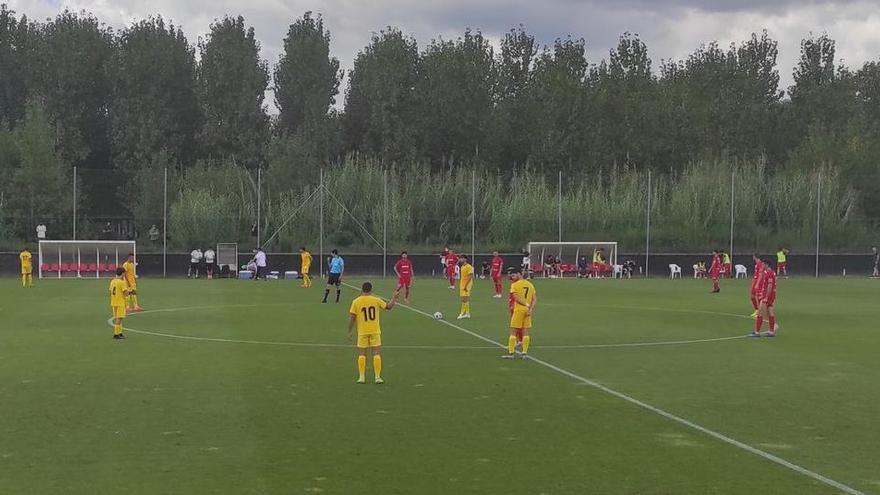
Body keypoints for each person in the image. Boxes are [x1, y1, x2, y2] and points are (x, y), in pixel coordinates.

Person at [348, 282, 398, 384]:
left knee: (362, 354)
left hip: (362, 331)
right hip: (375, 330)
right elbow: (388, 307)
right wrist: (394, 298)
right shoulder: (376, 300)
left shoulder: (356, 301)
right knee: (376, 353)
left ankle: (361, 377)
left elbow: (352, 317)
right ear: (371, 290)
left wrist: (349, 330)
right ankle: (377, 377)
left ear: (362, 290)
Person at [502, 267, 537, 359]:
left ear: (518, 274)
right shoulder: (530, 285)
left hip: (519, 310)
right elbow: (534, 299)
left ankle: (511, 353)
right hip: (527, 310)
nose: (512, 277)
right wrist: (530, 309)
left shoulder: (515, 285)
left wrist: (525, 304)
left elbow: (516, 298)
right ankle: (524, 353)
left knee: (513, 331)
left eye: (514, 275)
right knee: (526, 331)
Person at [753, 262, 779, 337]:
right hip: (771, 295)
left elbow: (770, 286)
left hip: (767, 296)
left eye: (763, 265)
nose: (762, 266)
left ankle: (757, 332)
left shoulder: (769, 273)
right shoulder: (771, 272)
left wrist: (766, 297)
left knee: (760, 313)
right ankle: (771, 332)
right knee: (770, 312)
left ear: (767, 265)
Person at [109, 267, 130, 340]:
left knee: (118, 318)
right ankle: (116, 334)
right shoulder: (122, 282)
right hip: (120, 302)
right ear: (123, 273)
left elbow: (111, 290)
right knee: (120, 318)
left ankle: (120, 332)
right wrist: (128, 291)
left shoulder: (113, 281)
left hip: (114, 301)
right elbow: (126, 293)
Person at [457, 255, 474, 319]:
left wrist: (466, 285)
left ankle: (462, 313)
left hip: (467, 285)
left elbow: (470, 276)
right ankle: (467, 313)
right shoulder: (462, 267)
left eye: (461, 258)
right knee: (463, 299)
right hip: (462, 284)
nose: (460, 260)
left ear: (465, 259)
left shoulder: (469, 267)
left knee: (464, 299)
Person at [750, 254, 765, 318]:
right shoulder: (757, 264)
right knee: (752, 296)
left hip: (760, 283)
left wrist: (757, 283)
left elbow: (761, 274)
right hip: (756, 281)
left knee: (759, 297)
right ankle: (757, 310)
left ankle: (759, 312)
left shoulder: (760, 264)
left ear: (755, 257)